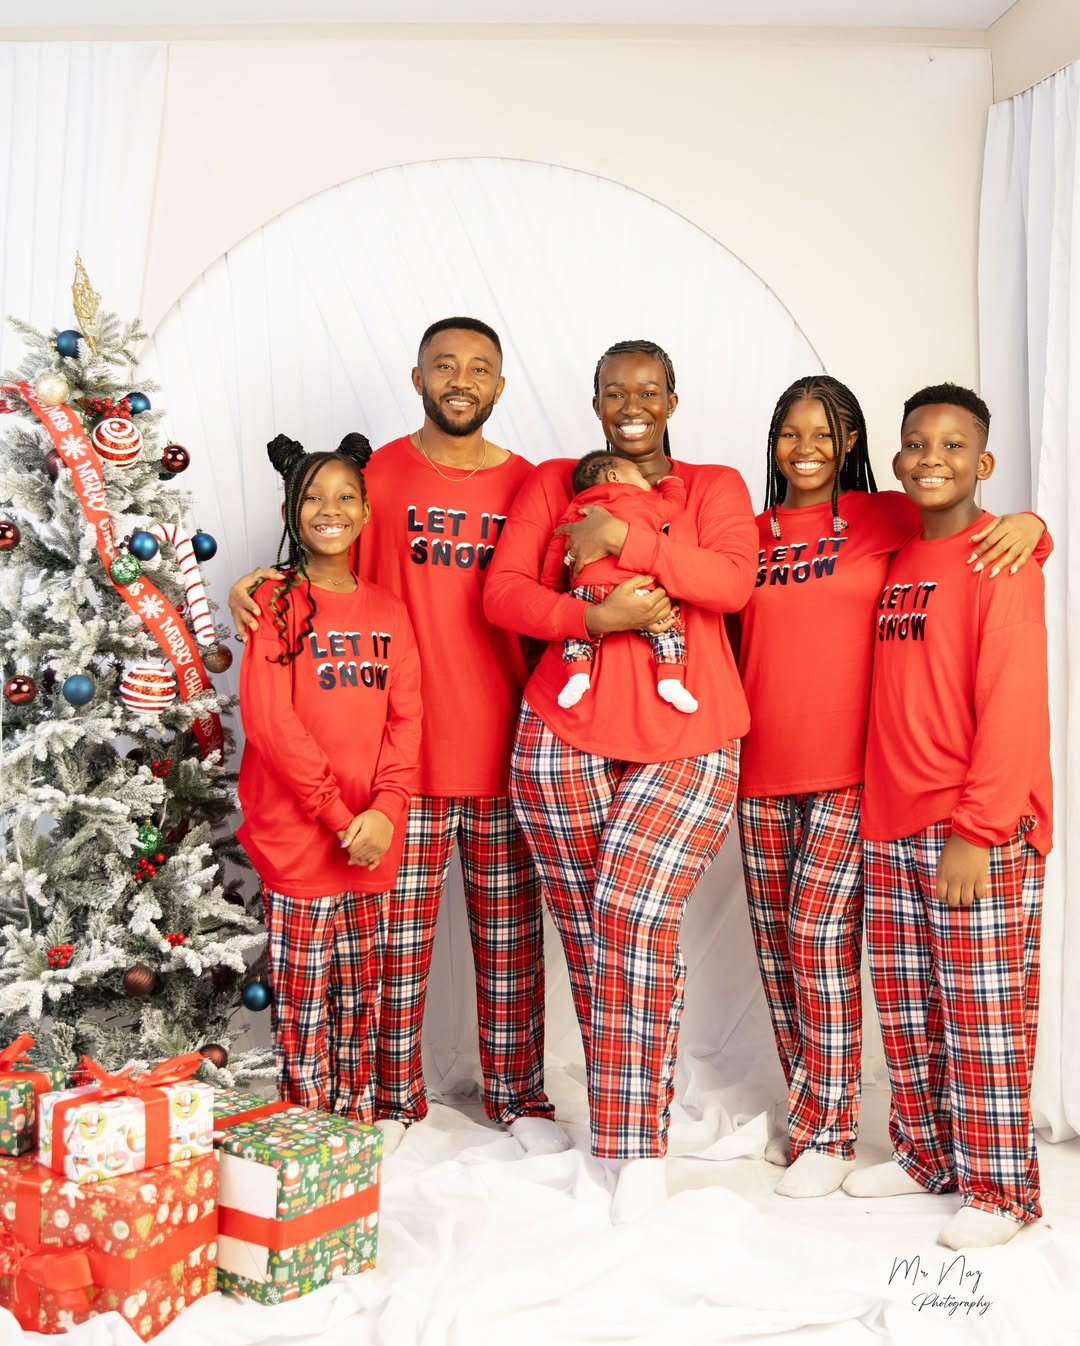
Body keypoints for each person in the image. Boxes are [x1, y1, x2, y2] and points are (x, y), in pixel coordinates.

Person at [229, 319, 566, 1158]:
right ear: (416, 376)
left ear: (500, 385)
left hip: (504, 750)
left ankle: (518, 1094)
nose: (461, 379)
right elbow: (321, 551)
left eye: (479, 368)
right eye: (444, 365)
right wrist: (260, 580)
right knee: (392, 954)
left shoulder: (529, 484)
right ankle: (387, 1094)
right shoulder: (373, 472)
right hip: (394, 775)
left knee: (511, 943)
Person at [734, 375, 1048, 1199]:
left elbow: (985, 535)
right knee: (842, 977)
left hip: (870, 785)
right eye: (788, 432)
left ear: (853, 447)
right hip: (807, 787)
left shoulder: (889, 518)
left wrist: (1035, 524)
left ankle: (965, 1175)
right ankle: (889, 1143)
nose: (805, 448)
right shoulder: (755, 532)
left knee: (840, 953)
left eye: (824, 433)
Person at [484, 338, 757, 1223]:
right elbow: (504, 594)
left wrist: (622, 537)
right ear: (595, 400)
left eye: (648, 390)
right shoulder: (555, 480)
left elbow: (731, 583)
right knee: (594, 935)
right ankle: (628, 1109)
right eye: (613, 390)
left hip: (688, 733)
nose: (630, 403)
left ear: (673, 399)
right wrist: (592, 613)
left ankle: (635, 1148)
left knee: (633, 915)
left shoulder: (714, 487)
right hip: (561, 732)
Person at [846, 384, 1051, 1252]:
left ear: (984, 464)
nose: (932, 458)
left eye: (953, 446)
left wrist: (979, 826)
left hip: (974, 824)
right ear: (895, 459)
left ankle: (1003, 1191)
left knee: (983, 1011)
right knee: (908, 1008)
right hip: (890, 817)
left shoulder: (999, 560)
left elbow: (1012, 704)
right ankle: (928, 1154)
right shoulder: (895, 554)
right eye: (916, 444)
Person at [237, 432, 422, 1118]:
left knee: (359, 996)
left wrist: (387, 809)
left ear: (367, 512)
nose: (329, 508)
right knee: (304, 1006)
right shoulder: (274, 603)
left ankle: (355, 1127)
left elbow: (407, 720)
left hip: (372, 839)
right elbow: (272, 725)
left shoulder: (389, 612)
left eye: (345, 495)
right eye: (312, 496)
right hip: (302, 838)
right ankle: (308, 1132)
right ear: (291, 509)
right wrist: (342, 819)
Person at [541, 449, 696, 712]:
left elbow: (559, 542)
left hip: (587, 588)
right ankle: (670, 679)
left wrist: (551, 584)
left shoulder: (577, 508)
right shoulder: (640, 501)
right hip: (637, 589)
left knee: (576, 632)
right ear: (615, 476)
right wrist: (671, 483)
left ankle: (578, 674)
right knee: (670, 628)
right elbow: (672, 506)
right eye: (637, 474)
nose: (645, 481)